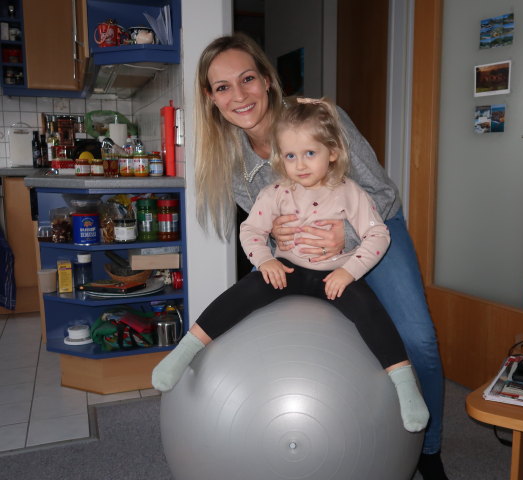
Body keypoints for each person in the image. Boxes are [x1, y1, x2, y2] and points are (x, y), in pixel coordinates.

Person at [187, 33, 446, 478]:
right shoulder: (227, 157)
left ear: (267, 80)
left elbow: (382, 195)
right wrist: (274, 239)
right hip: (304, 254)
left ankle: (430, 452)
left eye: (247, 78)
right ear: (211, 99)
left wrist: (343, 235)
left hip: (373, 229)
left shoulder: (324, 119)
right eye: (223, 87)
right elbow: (261, 226)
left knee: (418, 338)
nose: (239, 95)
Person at [153, 98, 429, 433]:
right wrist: (265, 259)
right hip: (290, 270)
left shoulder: (350, 192)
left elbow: (378, 236)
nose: (300, 164)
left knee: (370, 311)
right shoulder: (275, 192)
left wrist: (349, 272)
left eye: (309, 153)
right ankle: (185, 349)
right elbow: (251, 230)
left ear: (333, 153)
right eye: (290, 155)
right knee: (245, 290)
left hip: (336, 277)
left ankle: (404, 384)